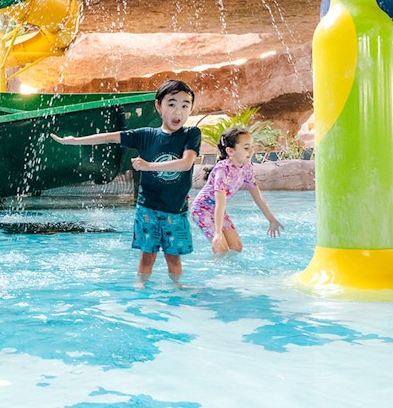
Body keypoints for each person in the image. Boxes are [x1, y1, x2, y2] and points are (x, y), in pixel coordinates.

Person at [51, 79, 201, 287]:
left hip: (176, 210)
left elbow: (186, 164)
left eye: (185, 105)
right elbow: (109, 138)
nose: (179, 112)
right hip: (148, 208)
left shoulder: (191, 134)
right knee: (146, 256)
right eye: (172, 104)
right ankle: (141, 286)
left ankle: (177, 287)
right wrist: (75, 141)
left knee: (173, 257)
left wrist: (148, 166)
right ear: (159, 105)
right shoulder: (145, 136)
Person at [191, 126, 284, 254]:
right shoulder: (222, 170)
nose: (251, 151)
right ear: (230, 151)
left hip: (218, 210)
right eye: (246, 148)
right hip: (202, 210)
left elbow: (258, 197)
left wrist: (271, 219)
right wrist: (218, 233)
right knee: (221, 248)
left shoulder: (246, 168)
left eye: (251, 146)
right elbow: (220, 203)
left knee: (237, 247)